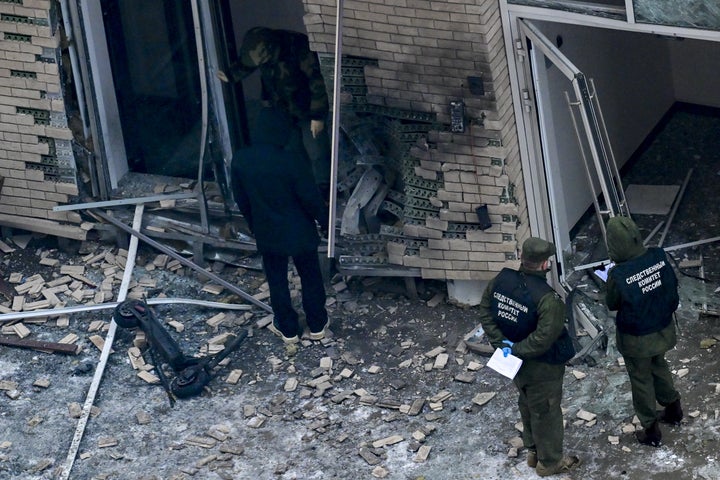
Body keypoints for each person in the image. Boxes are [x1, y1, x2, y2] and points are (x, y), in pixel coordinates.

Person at [478, 237, 579, 477]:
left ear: (522, 258)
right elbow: (543, 340)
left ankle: (533, 451)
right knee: (546, 410)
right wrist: (516, 349)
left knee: (527, 403)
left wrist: (500, 344)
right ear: (545, 265)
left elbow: (485, 311)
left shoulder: (500, 281)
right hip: (542, 367)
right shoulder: (548, 299)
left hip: (514, 364)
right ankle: (550, 462)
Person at [231, 106, 330, 344]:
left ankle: (288, 329)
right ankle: (317, 325)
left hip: (268, 231)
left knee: (277, 280)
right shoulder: (292, 161)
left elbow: (241, 199)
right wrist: (324, 222)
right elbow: (310, 198)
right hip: (300, 231)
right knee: (310, 276)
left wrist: (254, 224)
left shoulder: (241, 160)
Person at [223, 26, 331, 198]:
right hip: (282, 107)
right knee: (293, 149)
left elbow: (317, 82)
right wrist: (230, 75)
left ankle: (324, 191)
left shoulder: (298, 48)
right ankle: (302, 186)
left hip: (306, 107)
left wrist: (317, 116)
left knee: (316, 150)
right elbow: (248, 64)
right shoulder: (260, 47)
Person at [605, 216, 683, 447]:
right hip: (662, 329)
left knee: (641, 380)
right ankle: (674, 409)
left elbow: (612, 303)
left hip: (637, 339)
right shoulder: (657, 256)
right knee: (659, 366)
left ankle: (651, 431)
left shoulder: (618, 275)